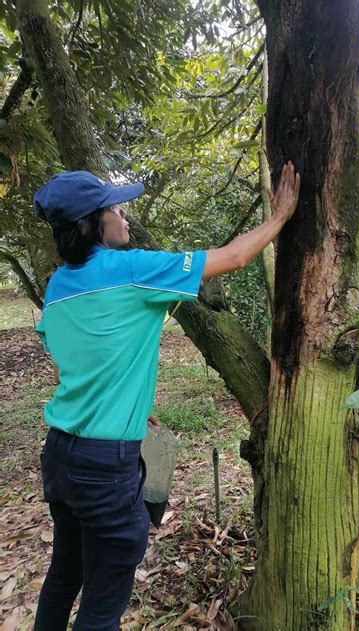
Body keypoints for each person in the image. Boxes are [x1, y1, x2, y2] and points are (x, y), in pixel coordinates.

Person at [33, 163, 300, 630]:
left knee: (65, 571)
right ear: (91, 224)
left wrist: (128, 401)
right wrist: (278, 219)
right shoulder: (131, 269)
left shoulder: (57, 287)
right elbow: (233, 257)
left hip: (60, 454)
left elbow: (74, 362)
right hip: (103, 465)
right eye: (114, 208)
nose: (124, 214)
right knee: (102, 600)